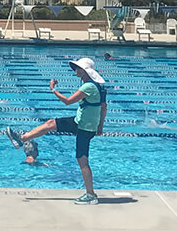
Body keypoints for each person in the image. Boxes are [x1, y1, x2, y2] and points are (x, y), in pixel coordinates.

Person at [7, 57, 108, 205]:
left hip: (83, 126)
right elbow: (104, 107)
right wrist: (100, 126)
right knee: (51, 123)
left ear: (86, 71)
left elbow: (67, 101)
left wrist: (53, 89)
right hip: (85, 124)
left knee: (83, 161)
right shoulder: (99, 86)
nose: (76, 71)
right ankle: (21, 139)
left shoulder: (88, 87)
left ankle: (90, 194)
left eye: (78, 69)